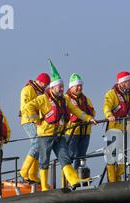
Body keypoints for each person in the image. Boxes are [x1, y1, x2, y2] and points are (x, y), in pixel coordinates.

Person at [22, 59, 95, 191]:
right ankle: (44, 187)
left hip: (59, 134)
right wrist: (36, 120)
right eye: (59, 87)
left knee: (65, 157)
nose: (62, 89)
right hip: (45, 135)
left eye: (62, 86)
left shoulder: (65, 100)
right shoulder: (42, 99)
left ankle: (73, 180)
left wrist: (88, 118)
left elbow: (76, 111)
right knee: (44, 161)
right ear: (52, 87)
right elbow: (28, 107)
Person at [19, 73, 50, 183]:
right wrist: (36, 120)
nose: (45, 87)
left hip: (37, 122)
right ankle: (24, 171)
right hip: (28, 121)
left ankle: (32, 174)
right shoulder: (27, 90)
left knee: (39, 145)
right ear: (40, 82)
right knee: (37, 142)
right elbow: (26, 108)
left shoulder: (41, 92)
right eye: (45, 84)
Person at [65, 73, 96, 172]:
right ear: (71, 87)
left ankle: (78, 178)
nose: (79, 88)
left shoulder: (86, 99)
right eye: (77, 86)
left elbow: (93, 111)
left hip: (85, 132)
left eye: (81, 85)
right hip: (71, 132)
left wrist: (89, 117)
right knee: (68, 157)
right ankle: (66, 181)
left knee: (82, 157)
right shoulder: (66, 99)